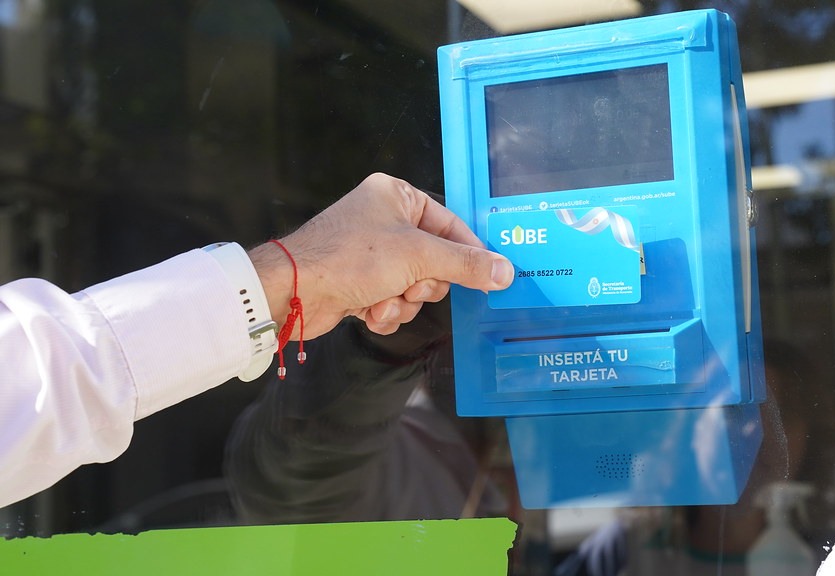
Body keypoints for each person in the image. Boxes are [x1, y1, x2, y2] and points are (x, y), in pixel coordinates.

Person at [0, 172, 514, 509]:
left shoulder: (482, 492)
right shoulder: (419, 460)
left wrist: (298, 276)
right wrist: (371, 336)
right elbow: (295, 473)